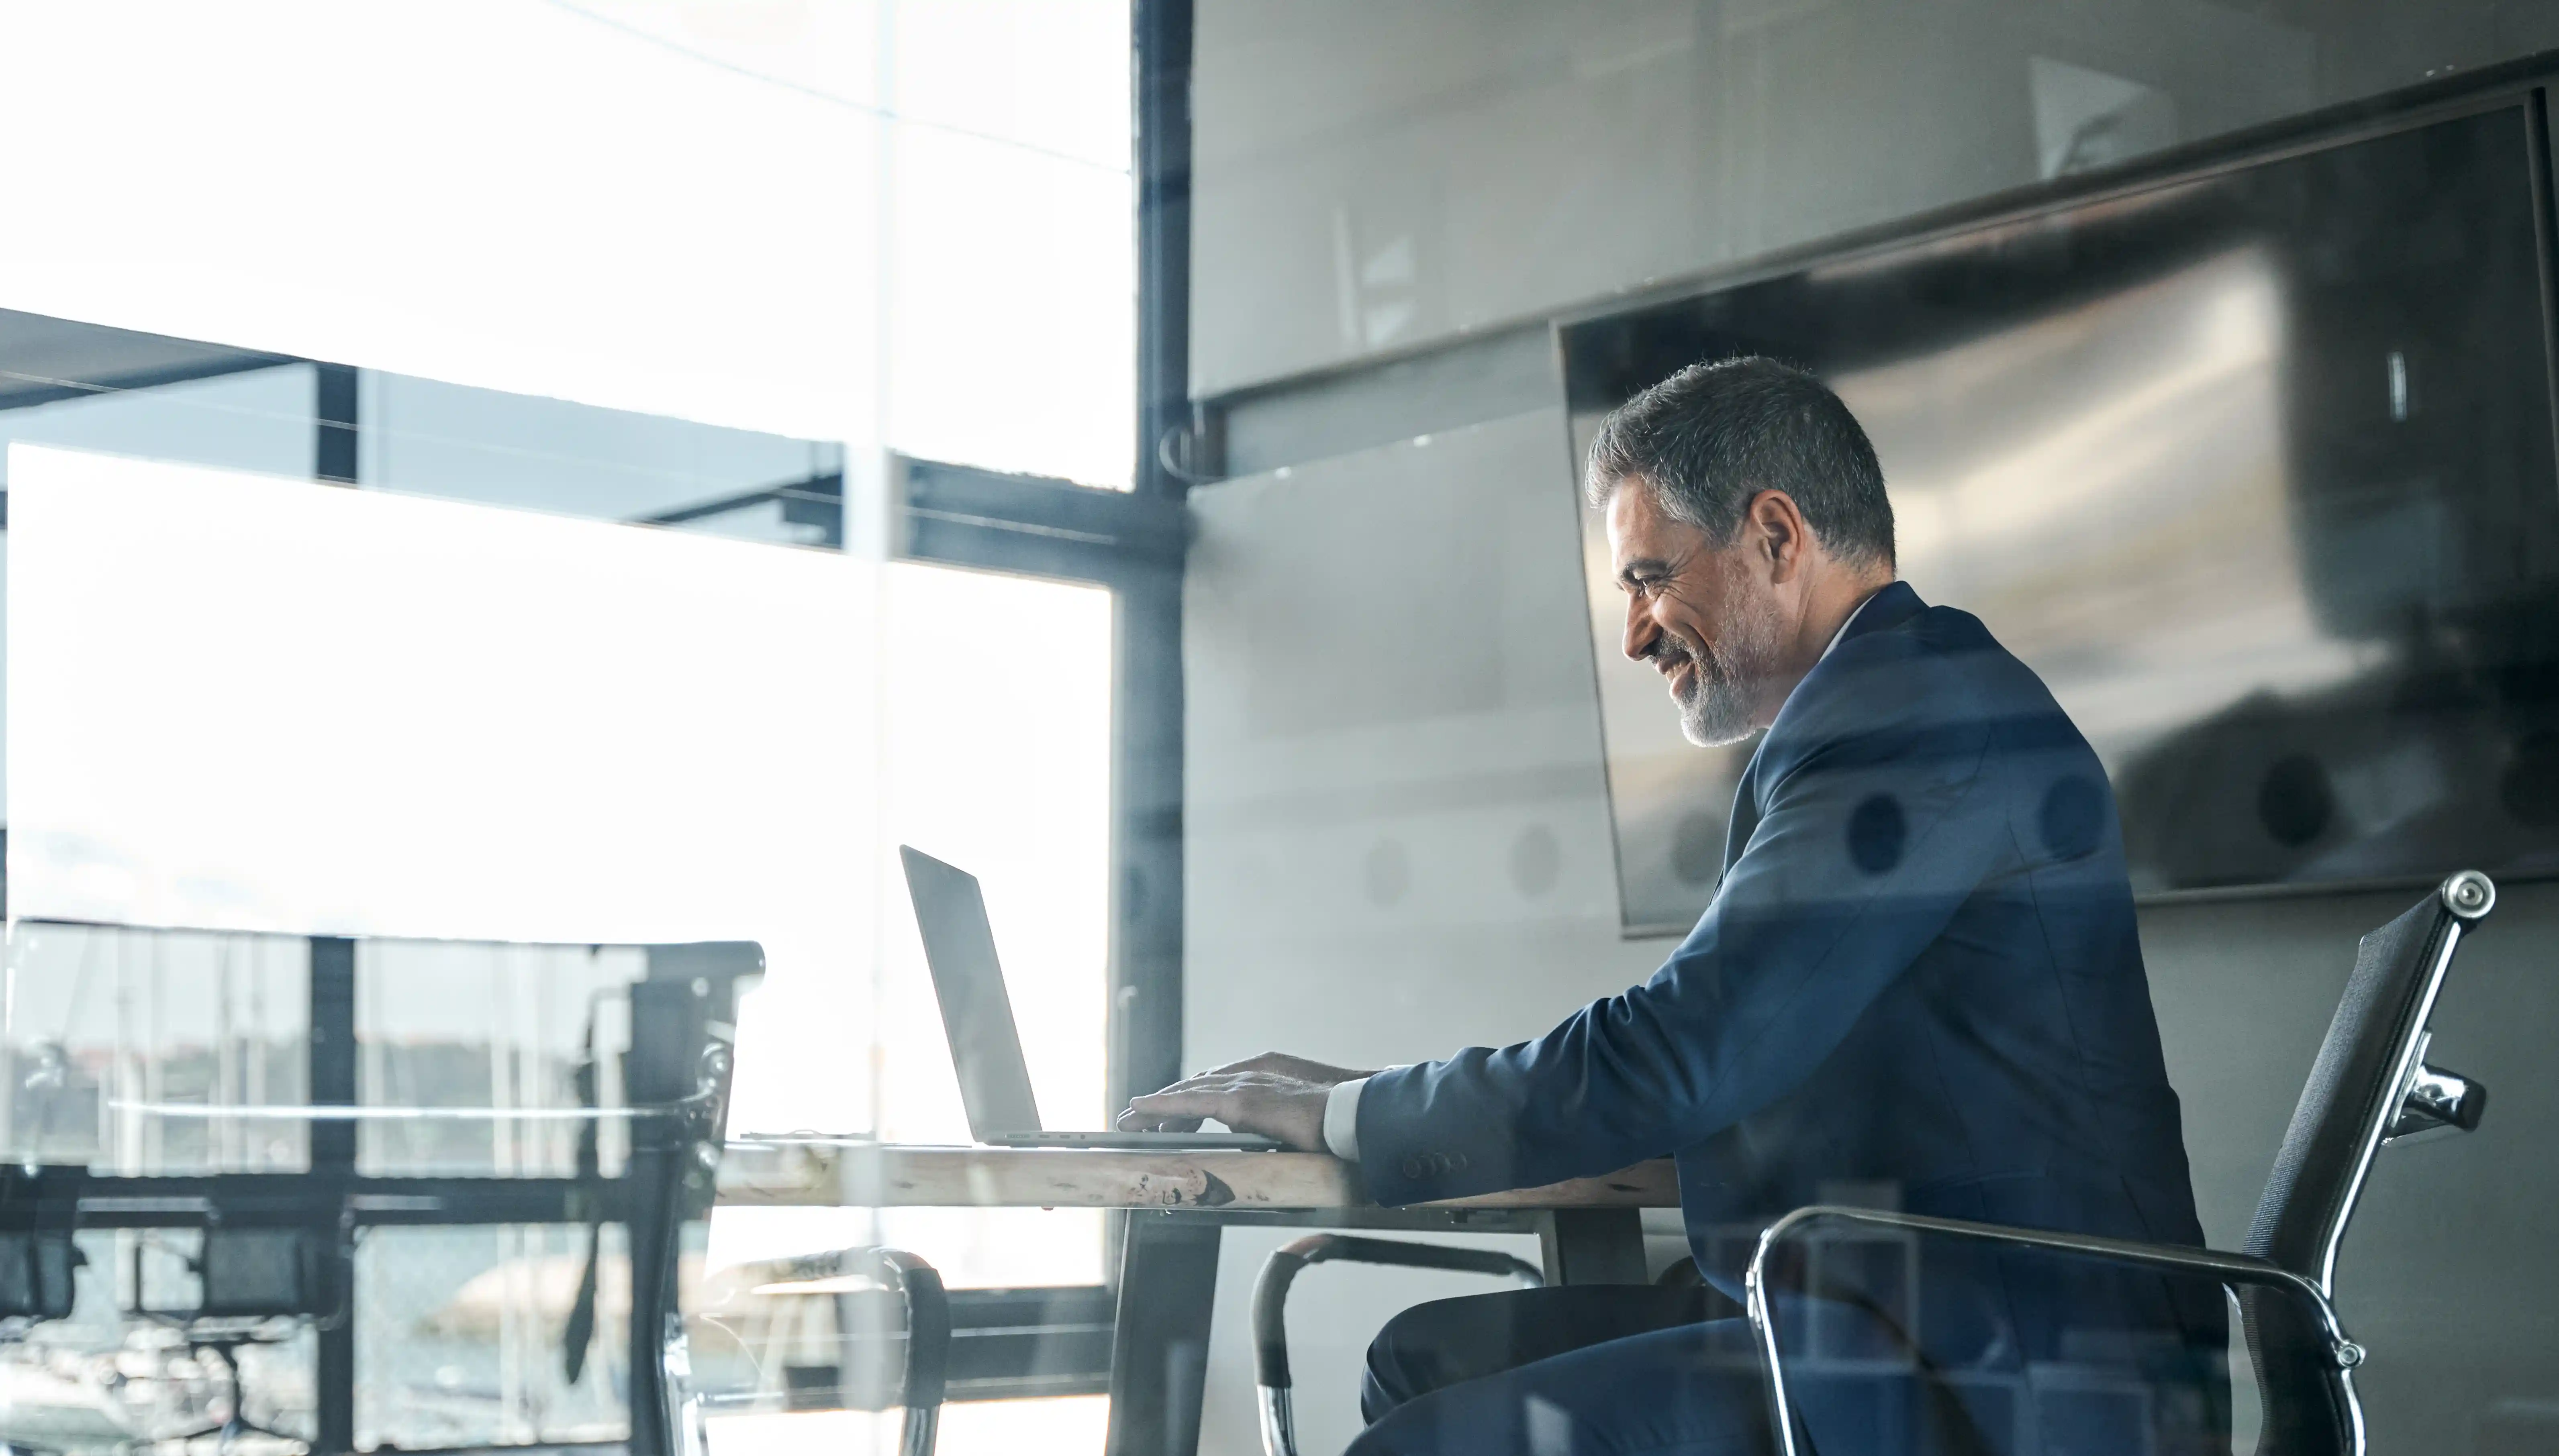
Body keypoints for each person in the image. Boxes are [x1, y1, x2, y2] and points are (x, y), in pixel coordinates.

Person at [1121, 357, 2227, 1455]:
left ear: (1776, 538)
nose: (1635, 633)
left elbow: (1686, 1050)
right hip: (1892, 1313)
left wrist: (1355, 1112)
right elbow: (1727, 1052)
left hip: (2013, 1378)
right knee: (1417, 1361)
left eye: (1650, 577)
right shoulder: (1888, 709)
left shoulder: (1916, 724)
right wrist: (1374, 1101)